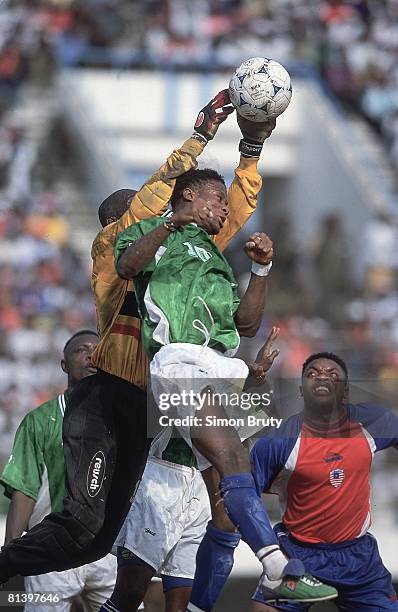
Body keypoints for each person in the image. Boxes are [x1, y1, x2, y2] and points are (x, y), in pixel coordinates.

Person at [0, 89, 276, 582]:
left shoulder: (176, 255)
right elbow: (154, 204)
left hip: (154, 403)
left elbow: (227, 214)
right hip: (107, 398)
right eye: (146, 213)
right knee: (84, 526)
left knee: (97, 540)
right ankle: (275, 562)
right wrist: (200, 137)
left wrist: (250, 153)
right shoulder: (113, 252)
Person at [113, 169, 338, 610]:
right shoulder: (156, 234)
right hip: (179, 359)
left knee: (226, 501)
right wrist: (171, 222)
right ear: (190, 197)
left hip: (221, 368)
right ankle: (276, 568)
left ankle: (202, 604)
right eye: (217, 199)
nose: (223, 208)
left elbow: (246, 323)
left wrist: (261, 268)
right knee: (234, 460)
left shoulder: (215, 259)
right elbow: (126, 265)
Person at [107, 328, 281, 612]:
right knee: (129, 595)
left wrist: (254, 378)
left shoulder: (227, 377)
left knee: (180, 605)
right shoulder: (169, 366)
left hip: (201, 492)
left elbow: (243, 439)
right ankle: (274, 561)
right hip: (163, 479)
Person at [250, 352, 398, 610]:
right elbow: (244, 496)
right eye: (313, 373)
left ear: (346, 391)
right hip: (297, 554)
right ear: (301, 389)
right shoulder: (279, 441)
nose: (322, 376)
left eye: (333, 374)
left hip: (359, 559)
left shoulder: (373, 422)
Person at [0, 331, 118, 612]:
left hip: (109, 552)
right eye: (80, 350)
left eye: (96, 350)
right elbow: (24, 489)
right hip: (50, 551)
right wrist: (10, 555)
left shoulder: (122, 419)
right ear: (64, 365)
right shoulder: (39, 421)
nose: (90, 355)